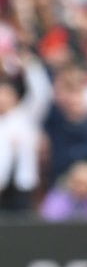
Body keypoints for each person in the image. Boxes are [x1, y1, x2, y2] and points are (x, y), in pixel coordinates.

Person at [0, 52, 51, 211]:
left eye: (6, 93)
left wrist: (31, 68)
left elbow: (42, 94)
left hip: (23, 182)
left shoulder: (26, 115)